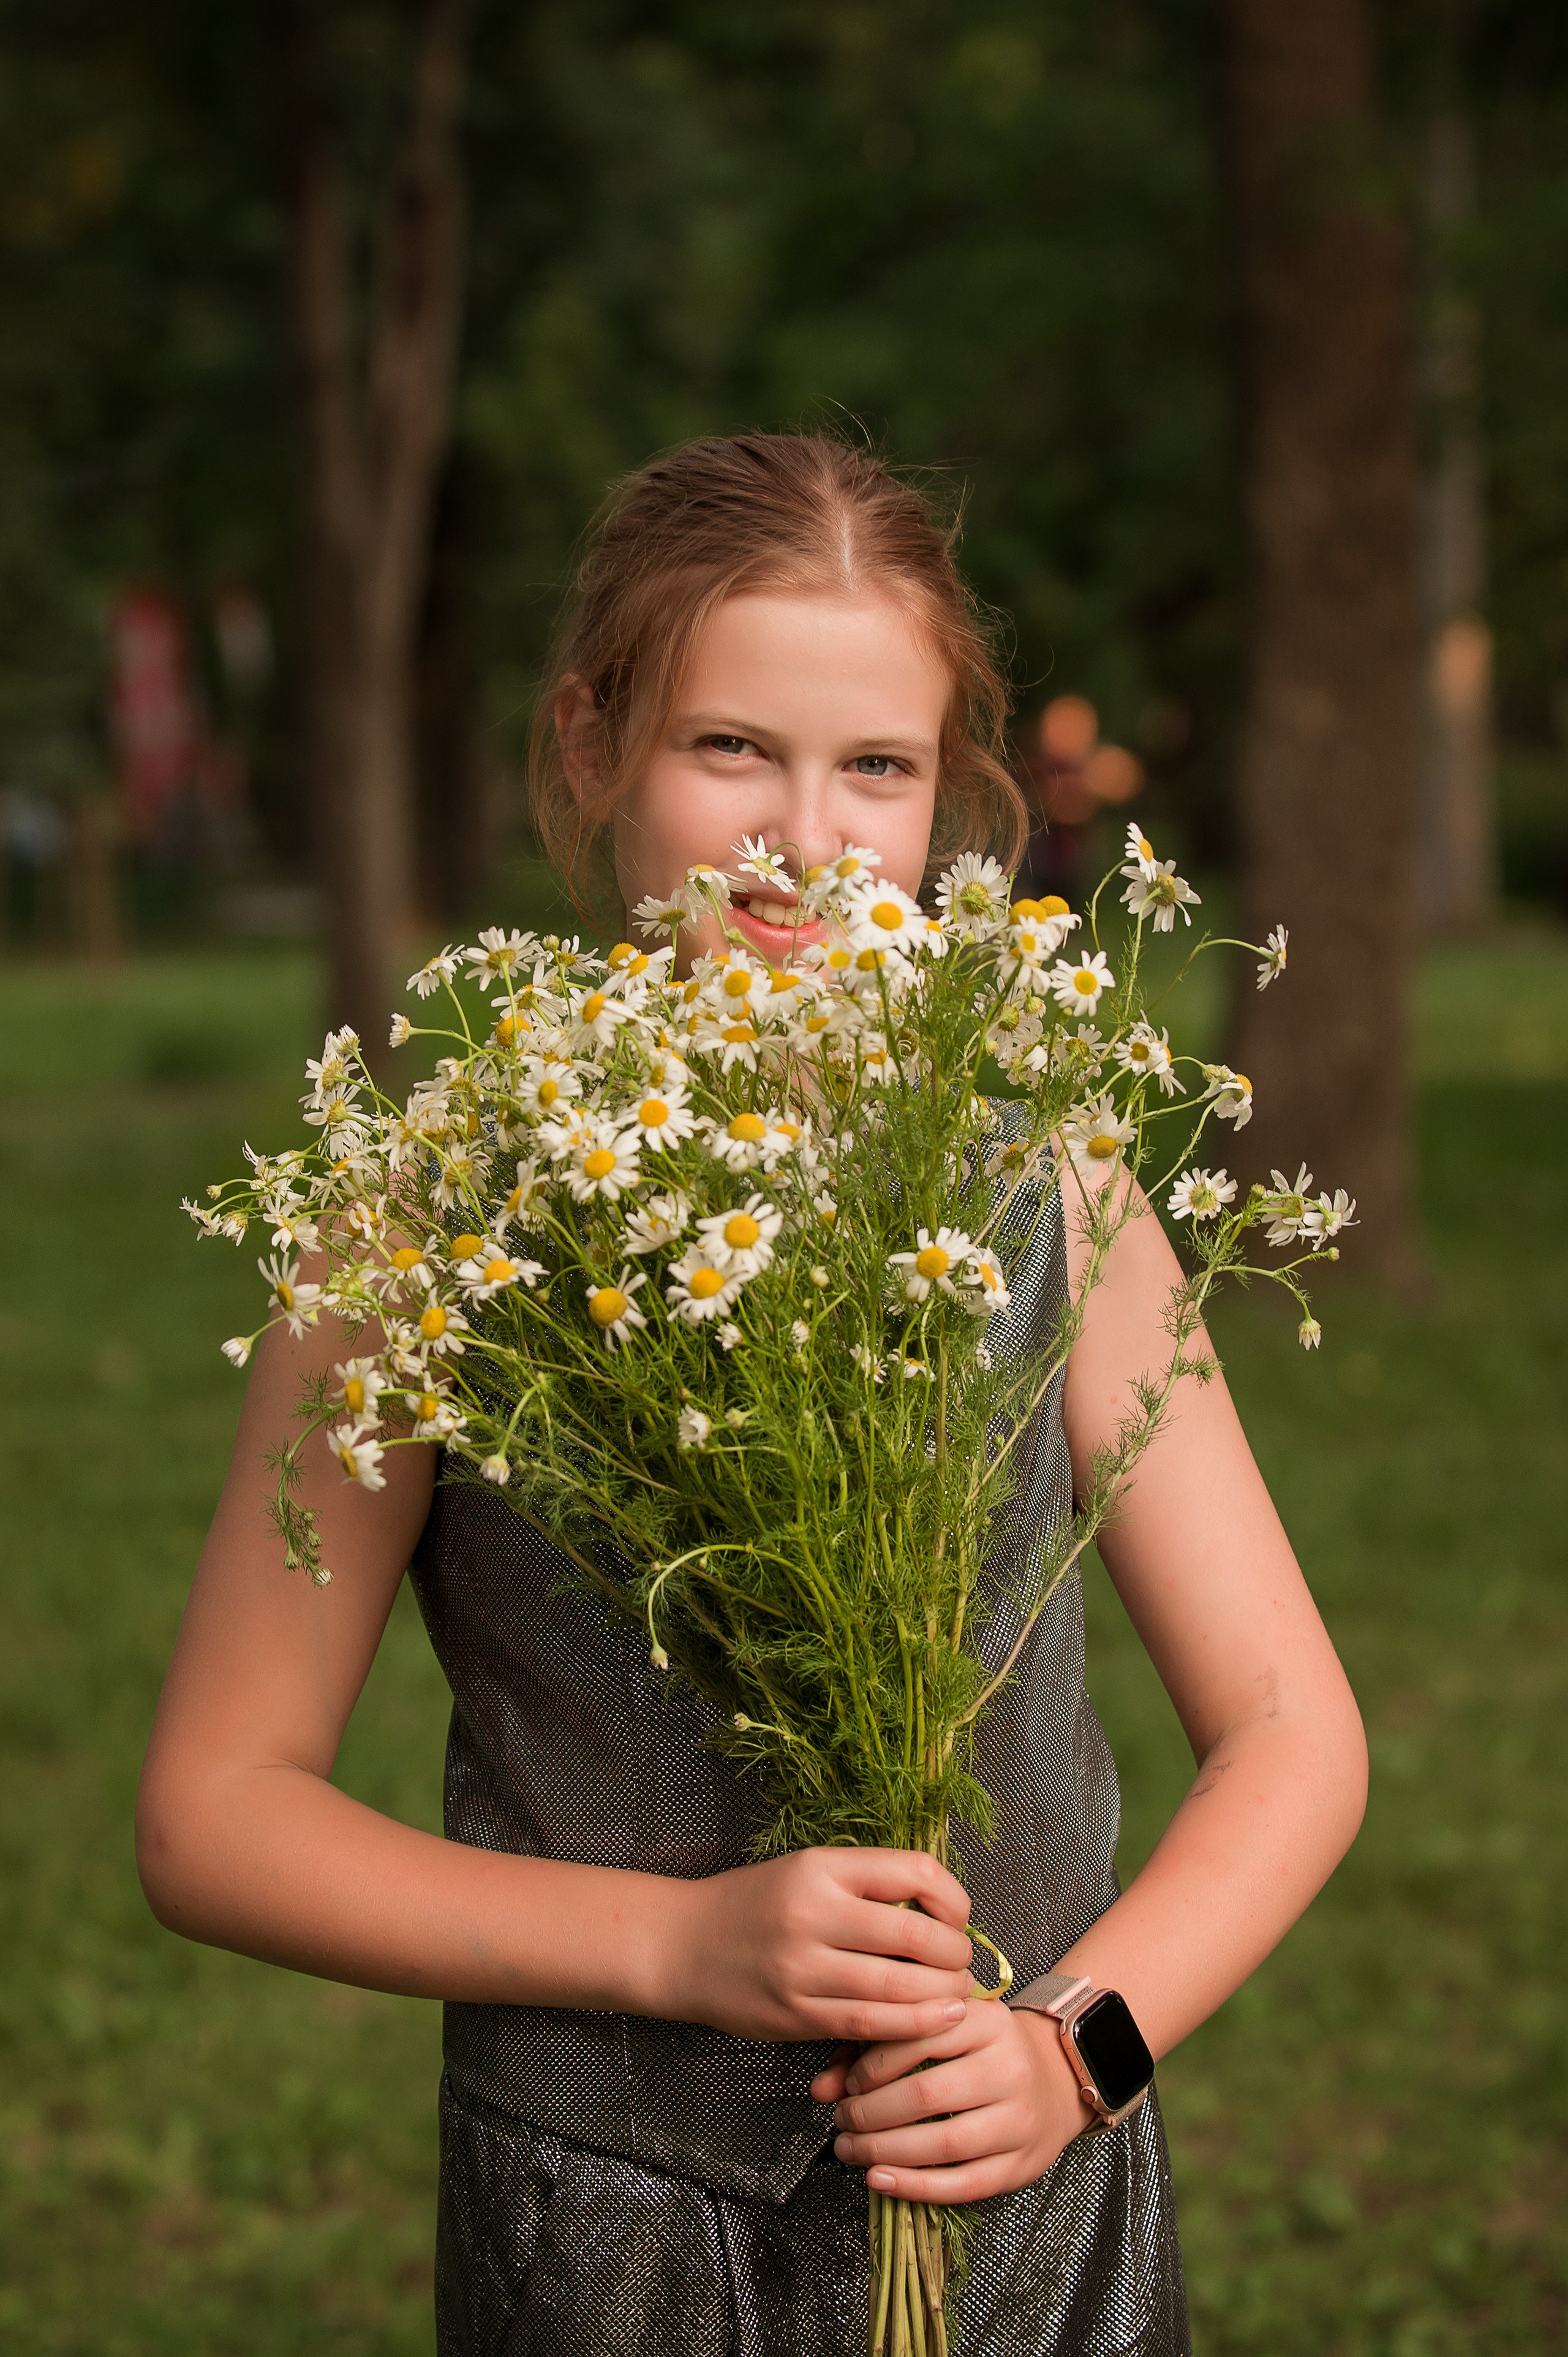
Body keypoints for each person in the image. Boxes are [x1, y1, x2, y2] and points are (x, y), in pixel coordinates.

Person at [136, 433, 1368, 2355]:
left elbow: (1294, 1728)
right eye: (729, 750)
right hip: (611, 2233)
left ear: (950, 800)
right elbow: (213, 1813)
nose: (808, 836)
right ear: (588, 749)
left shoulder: (1050, 1183)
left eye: (875, 766)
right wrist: (674, 1946)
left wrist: (1078, 2047)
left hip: (1022, 2204)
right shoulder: (423, 1225)